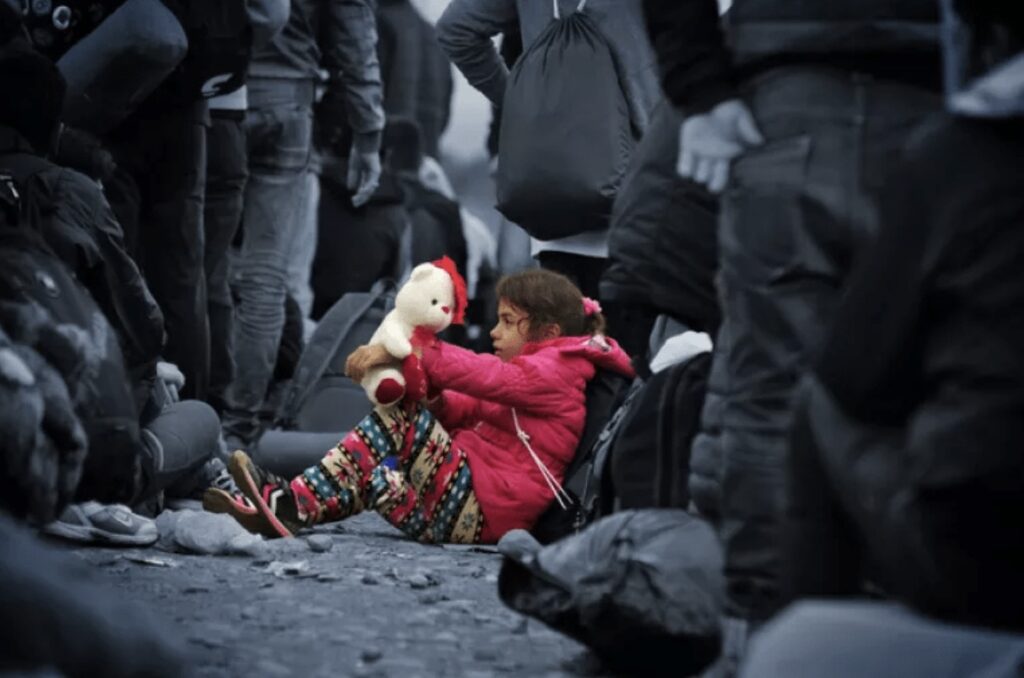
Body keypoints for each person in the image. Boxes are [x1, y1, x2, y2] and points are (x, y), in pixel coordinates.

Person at [643, 0, 943, 633]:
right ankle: (910, 621)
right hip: (931, 94)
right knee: (935, 375)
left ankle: (775, 625)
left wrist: (701, 89)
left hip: (781, 97)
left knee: (768, 389)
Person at [782, 0, 1024, 633]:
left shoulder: (962, 151)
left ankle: (805, 640)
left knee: (818, 401)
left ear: (987, 38)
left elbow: (855, 377)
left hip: (991, 556)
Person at [207, 269, 634, 543]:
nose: (493, 332)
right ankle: (289, 508)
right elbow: (467, 406)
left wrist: (416, 348)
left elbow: (486, 376)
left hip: (483, 511)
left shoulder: (556, 372)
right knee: (376, 476)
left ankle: (290, 498)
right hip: (462, 508)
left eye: (507, 322)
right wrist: (434, 398)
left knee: (400, 418)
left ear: (549, 332)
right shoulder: (533, 373)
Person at [223, 0, 385, 449]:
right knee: (266, 275)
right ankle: (239, 428)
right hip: (290, 99)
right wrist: (367, 133)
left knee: (199, 261)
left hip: (217, 87)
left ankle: (193, 408)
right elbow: (355, 34)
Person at [436, 0, 661, 301]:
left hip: (552, 212)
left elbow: (456, 28)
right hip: (638, 198)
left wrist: (522, 107)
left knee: (565, 326)